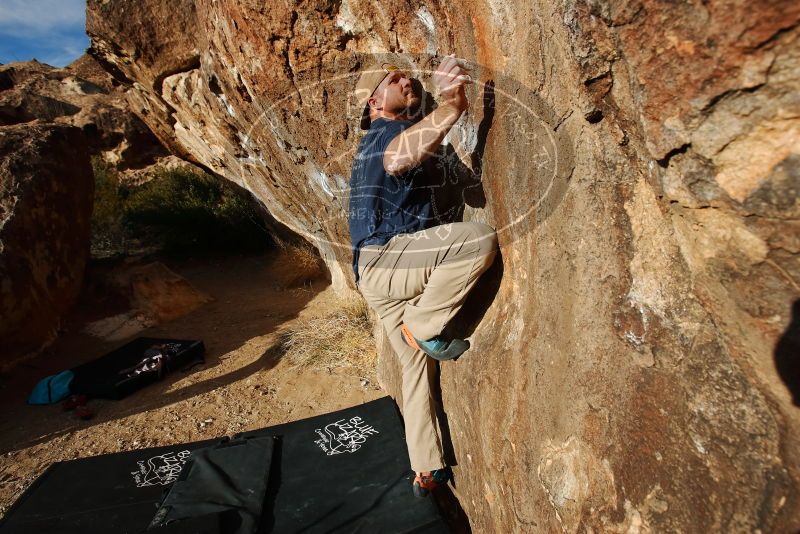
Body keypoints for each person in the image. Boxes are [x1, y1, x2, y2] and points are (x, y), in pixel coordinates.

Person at [348, 54, 498, 497]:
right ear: (374, 102)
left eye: (407, 76)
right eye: (392, 80)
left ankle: (426, 468)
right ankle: (423, 323)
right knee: (476, 239)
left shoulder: (375, 143)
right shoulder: (384, 132)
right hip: (389, 261)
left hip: (379, 277)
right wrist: (450, 107)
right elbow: (398, 159)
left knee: (415, 369)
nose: (404, 80)